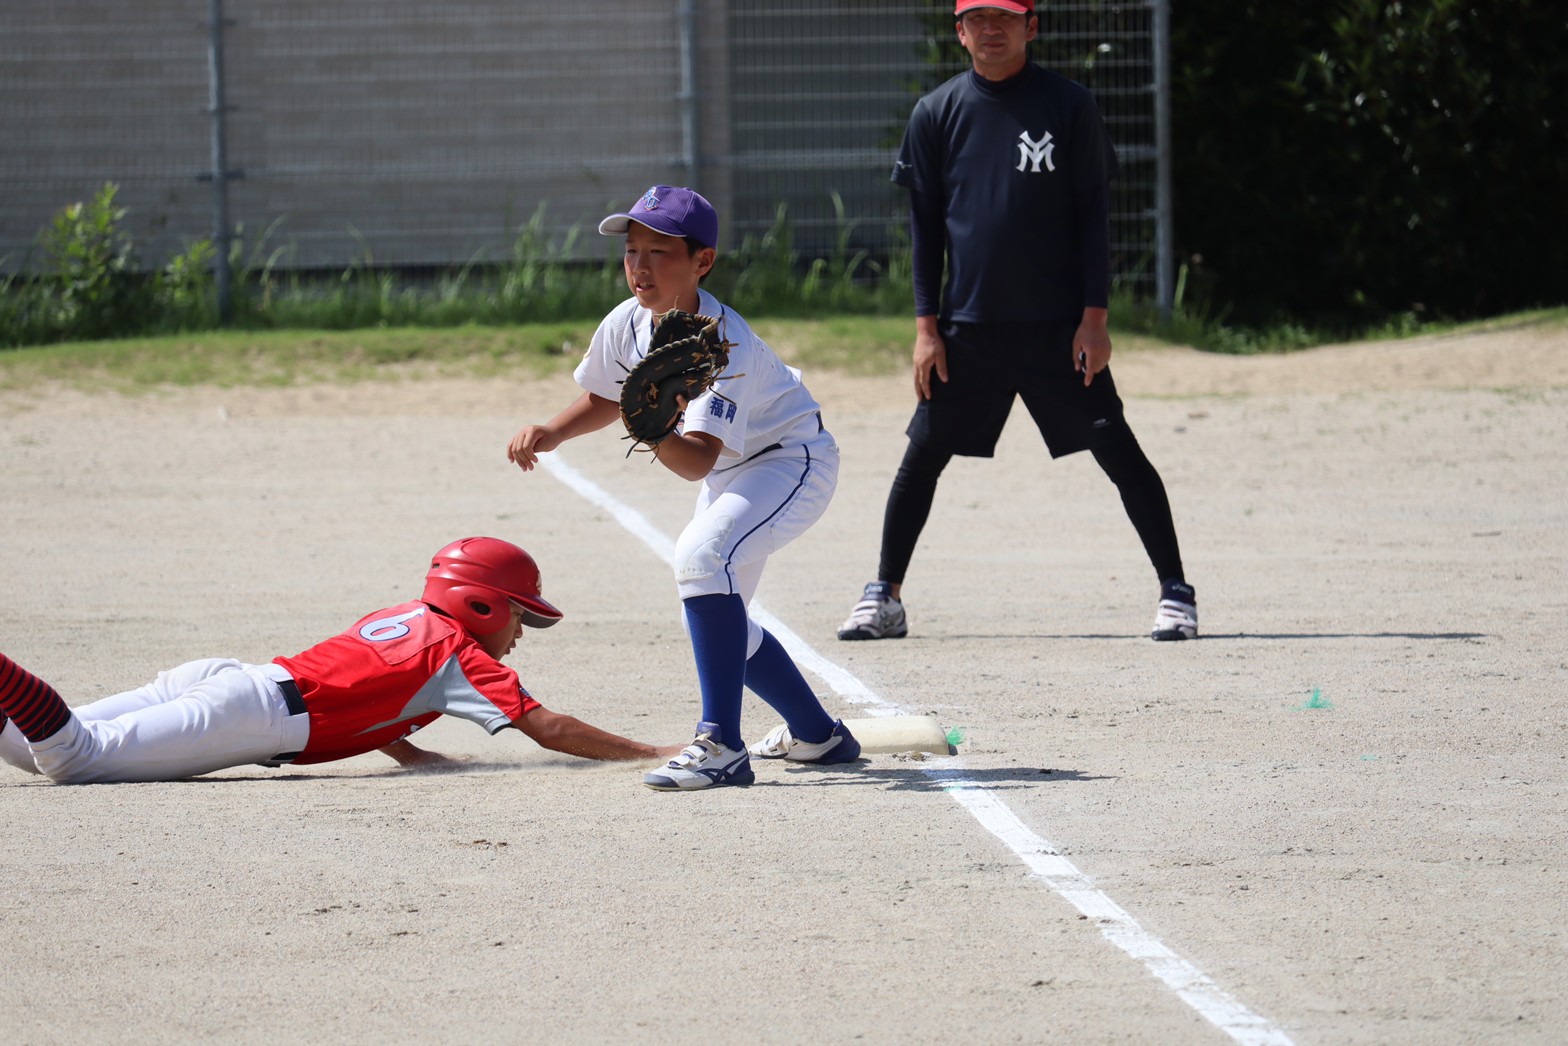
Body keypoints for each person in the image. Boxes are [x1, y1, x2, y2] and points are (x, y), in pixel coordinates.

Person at [837, 0, 1197, 644]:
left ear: (1031, 26)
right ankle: (884, 596)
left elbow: (1094, 218)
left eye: (1005, 16)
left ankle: (1176, 592)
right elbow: (924, 232)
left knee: (1118, 450)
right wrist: (926, 330)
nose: (991, 29)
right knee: (922, 457)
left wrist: (1095, 320)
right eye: (977, 18)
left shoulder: (1069, 105)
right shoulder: (936, 113)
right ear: (960, 32)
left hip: (1058, 328)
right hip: (967, 330)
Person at [506, 185, 860, 791]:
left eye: (660, 251)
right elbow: (602, 395)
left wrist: (649, 427)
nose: (640, 265)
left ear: (703, 261)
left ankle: (720, 742)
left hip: (790, 461)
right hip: (735, 468)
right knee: (720, 610)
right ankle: (818, 734)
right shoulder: (628, 320)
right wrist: (555, 430)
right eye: (632, 250)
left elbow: (693, 461)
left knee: (701, 560)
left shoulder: (727, 344)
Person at [0, 537, 680, 784]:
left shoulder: (408, 619)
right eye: (519, 613)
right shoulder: (460, 654)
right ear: (480, 605)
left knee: (30, 750)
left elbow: (369, 690)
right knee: (72, 758)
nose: (521, 631)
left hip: (238, 684)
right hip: (252, 716)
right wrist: (649, 748)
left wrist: (414, 758)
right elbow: (548, 727)